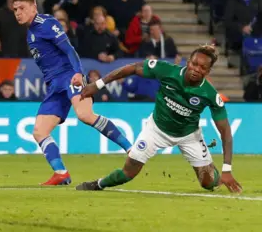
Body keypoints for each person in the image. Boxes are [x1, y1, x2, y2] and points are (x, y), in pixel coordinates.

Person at [76, 45, 242, 195]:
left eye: (202, 67)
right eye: (194, 63)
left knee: (207, 183)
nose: (196, 69)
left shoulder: (210, 94)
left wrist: (227, 169)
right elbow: (134, 68)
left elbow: (225, 131)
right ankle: (98, 184)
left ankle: (216, 174)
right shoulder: (167, 71)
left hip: (189, 135)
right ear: (188, 61)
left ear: (208, 71)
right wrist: (97, 85)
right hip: (155, 130)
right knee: (128, 173)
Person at [11, 0, 131, 186]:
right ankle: (61, 173)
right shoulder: (31, 32)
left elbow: (69, 49)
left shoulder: (46, 23)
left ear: (34, 7)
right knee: (39, 131)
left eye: (22, 8)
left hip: (69, 77)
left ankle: (131, 149)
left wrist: (78, 73)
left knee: (84, 115)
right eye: (15, 9)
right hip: (54, 86)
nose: (18, 12)